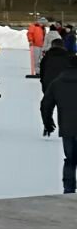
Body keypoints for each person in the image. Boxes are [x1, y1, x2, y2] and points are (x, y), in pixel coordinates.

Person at [39, 57, 77, 192]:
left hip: (67, 128)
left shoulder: (57, 83)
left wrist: (48, 123)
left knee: (70, 159)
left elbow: (45, 105)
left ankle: (68, 189)